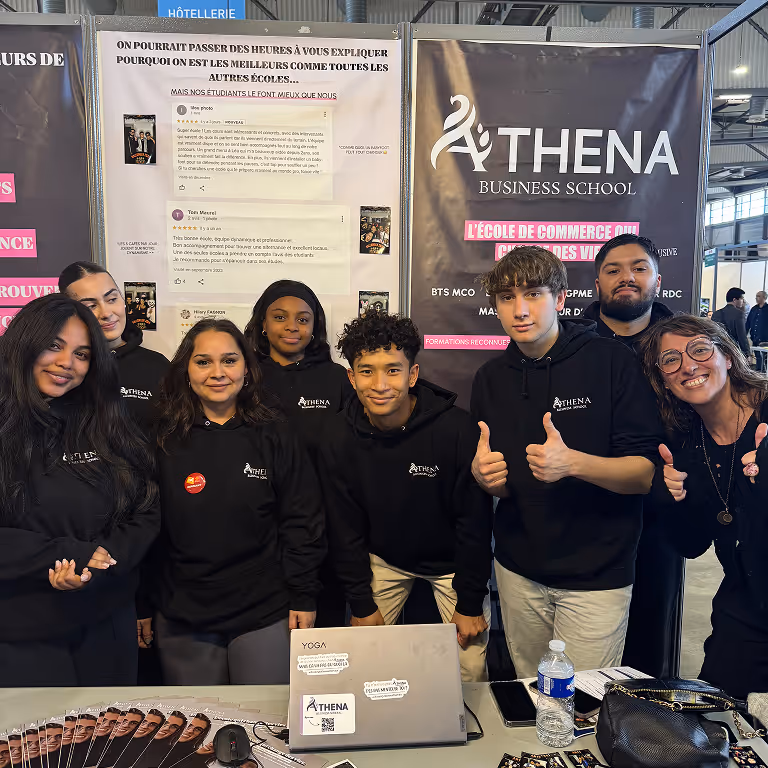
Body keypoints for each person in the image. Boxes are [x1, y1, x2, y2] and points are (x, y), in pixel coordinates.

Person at [470, 246, 663, 677]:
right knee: (533, 693)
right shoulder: (490, 378)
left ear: (559, 300)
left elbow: (645, 476)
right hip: (518, 570)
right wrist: (486, 478)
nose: (520, 310)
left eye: (534, 294)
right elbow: (503, 482)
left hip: (597, 575)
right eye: (507, 298)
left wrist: (573, 463)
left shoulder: (611, 361)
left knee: (583, 708)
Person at [147, 318, 324, 685]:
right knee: (197, 731)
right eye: (203, 361)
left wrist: (303, 595)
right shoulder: (160, 436)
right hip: (182, 613)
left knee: (265, 727)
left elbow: (301, 519)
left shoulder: (275, 431)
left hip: (263, 609)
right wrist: (141, 604)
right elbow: (145, 527)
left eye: (229, 360)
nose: (217, 373)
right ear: (186, 369)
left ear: (246, 367)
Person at [319, 310, 494, 682]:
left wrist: (470, 601)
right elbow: (344, 528)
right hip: (385, 558)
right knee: (365, 660)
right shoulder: (337, 436)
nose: (380, 383)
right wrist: (361, 604)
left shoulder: (456, 430)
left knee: (470, 669)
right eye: (366, 371)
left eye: (393, 370)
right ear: (351, 377)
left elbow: (474, 523)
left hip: (452, 564)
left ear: (412, 375)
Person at [0, 294, 160, 686]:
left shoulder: (106, 419)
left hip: (107, 624)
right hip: (23, 633)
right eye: (54, 345)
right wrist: (61, 558)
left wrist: (99, 563)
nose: (66, 363)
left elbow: (146, 509)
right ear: (24, 342)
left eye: (82, 353)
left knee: (111, 744)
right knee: (43, 747)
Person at [640, 315, 768, 698]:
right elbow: (692, 544)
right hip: (743, 611)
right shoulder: (688, 445)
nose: (689, 366)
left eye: (699, 350)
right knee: (719, 727)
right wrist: (672, 498)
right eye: (671, 360)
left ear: (728, 356)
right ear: (663, 379)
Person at [583, 233, 682, 678]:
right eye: (614, 270)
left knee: (646, 639)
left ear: (657, 280)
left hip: (657, 517)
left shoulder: (683, 346)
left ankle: (644, 738)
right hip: (581, 513)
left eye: (639, 268)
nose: (627, 277)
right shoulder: (568, 343)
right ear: (597, 283)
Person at [244, 280, 352, 628]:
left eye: (303, 319)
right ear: (262, 323)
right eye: (280, 317)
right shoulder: (244, 377)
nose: (292, 326)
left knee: (325, 636)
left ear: (315, 326)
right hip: (260, 527)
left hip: (326, 529)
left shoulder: (338, 379)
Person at [59, 262, 169, 434]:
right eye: (91, 306)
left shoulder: (157, 365)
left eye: (112, 299)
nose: (106, 313)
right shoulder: (63, 366)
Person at [712, 287, 750, 358]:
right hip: (733, 350)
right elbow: (741, 335)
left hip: (717, 349)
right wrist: (747, 353)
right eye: (741, 298)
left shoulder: (716, 314)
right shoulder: (739, 313)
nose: (743, 301)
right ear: (734, 300)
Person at [747, 290, 768, 372]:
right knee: (758, 358)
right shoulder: (754, 309)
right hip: (755, 338)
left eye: (759, 296)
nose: (756, 298)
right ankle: (759, 374)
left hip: (765, 339)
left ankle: (764, 375)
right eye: (756, 296)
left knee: (765, 359)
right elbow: (748, 322)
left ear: (764, 297)